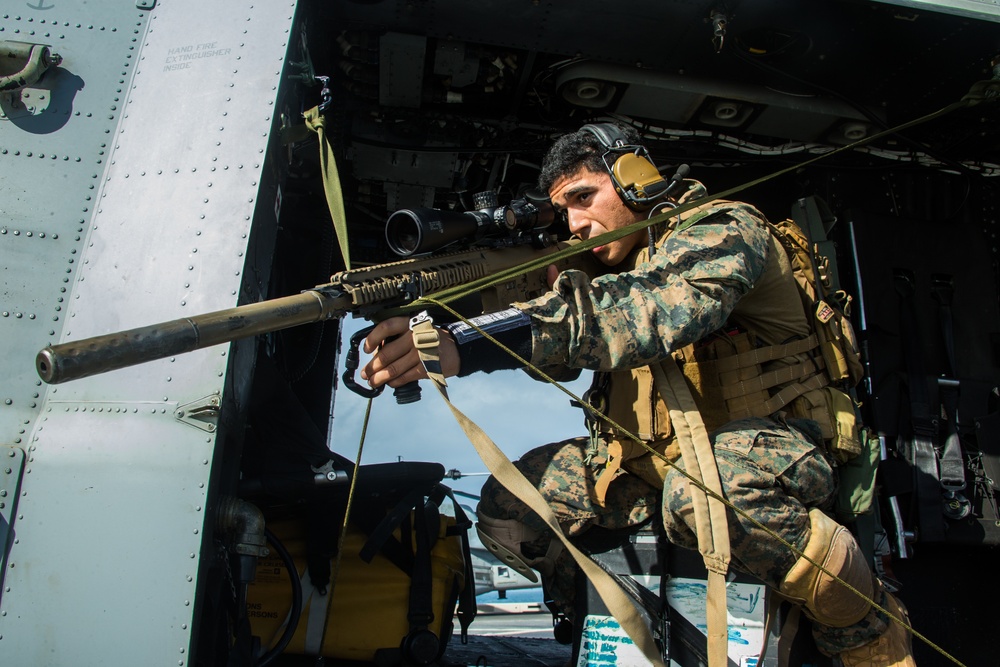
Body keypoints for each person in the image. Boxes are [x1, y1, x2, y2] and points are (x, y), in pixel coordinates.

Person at [360, 122, 915, 666]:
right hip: (652, 466)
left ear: (635, 177)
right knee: (512, 505)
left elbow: (654, 307)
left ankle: (865, 629)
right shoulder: (606, 268)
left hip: (773, 448)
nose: (576, 224)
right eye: (564, 211)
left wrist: (467, 343)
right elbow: (570, 348)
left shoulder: (724, 228)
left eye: (584, 197)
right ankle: (599, 620)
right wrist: (445, 315)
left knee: (711, 492)